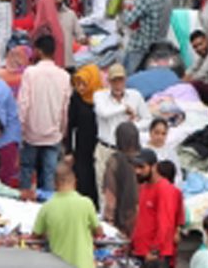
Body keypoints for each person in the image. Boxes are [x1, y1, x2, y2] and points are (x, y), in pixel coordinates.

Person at [17, 34, 71, 194]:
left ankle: (24, 207)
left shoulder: (30, 73)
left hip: (31, 133)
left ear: (38, 51)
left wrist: (21, 129)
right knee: (49, 176)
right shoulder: (64, 76)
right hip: (53, 134)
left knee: (26, 173)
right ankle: (46, 208)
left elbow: (23, 104)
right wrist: (62, 131)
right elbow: (65, 108)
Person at [93, 63, 150, 193]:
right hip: (106, 149)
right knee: (104, 189)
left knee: (127, 190)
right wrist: (124, 108)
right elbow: (103, 112)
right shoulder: (100, 96)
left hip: (127, 151)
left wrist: (132, 127)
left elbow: (147, 119)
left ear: (125, 80)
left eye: (121, 80)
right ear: (109, 81)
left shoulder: (135, 96)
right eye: (114, 81)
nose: (118, 84)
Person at [32, 163, 101, 268]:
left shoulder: (47, 207)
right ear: (74, 181)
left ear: (54, 184)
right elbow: (98, 232)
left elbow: (35, 236)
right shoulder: (86, 203)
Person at [130, 148, 182, 266]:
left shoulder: (164, 189)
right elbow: (142, 219)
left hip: (155, 257)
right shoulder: (144, 187)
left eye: (141, 167)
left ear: (154, 166)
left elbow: (166, 225)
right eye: (135, 167)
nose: (137, 171)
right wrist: (132, 243)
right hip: (141, 252)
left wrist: (154, 251)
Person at [120, 0, 167, 74]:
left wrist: (122, 8)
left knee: (129, 79)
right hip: (153, 45)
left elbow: (128, 20)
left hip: (139, 46)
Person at [66, 64, 101, 206]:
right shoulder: (76, 99)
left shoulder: (101, 97)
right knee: (83, 179)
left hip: (98, 145)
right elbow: (70, 126)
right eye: (77, 84)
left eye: (84, 83)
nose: (80, 88)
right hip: (81, 147)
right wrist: (69, 150)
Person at [102, 122, 141, 237]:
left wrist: (109, 221)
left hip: (123, 217)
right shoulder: (145, 159)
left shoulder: (115, 161)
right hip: (143, 216)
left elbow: (110, 195)